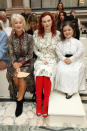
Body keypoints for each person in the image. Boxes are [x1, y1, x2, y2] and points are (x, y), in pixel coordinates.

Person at [33, 12, 60, 117]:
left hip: (52, 60)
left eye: (48, 20)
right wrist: (41, 57)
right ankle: (39, 103)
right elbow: (35, 49)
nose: (47, 23)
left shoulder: (57, 34)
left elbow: (59, 50)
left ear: (52, 21)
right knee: (40, 72)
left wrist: (57, 61)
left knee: (48, 72)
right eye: (44, 21)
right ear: (41, 23)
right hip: (41, 59)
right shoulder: (36, 33)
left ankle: (46, 103)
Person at [7, 14, 35, 117]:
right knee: (15, 77)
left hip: (27, 62)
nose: (18, 25)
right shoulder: (10, 38)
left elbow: (30, 54)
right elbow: (11, 53)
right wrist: (15, 63)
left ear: (23, 24)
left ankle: (19, 102)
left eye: (20, 22)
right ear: (13, 25)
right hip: (14, 63)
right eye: (16, 23)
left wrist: (21, 63)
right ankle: (21, 94)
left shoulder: (30, 37)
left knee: (21, 77)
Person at [55, 21, 86, 99]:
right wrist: (64, 59)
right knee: (61, 70)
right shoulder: (60, 43)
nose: (67, 32)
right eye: (65, 30)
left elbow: (80, 51)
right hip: (64, 60)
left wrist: (72, 59)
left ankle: (72, 90)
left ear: (73, 30)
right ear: (62, 32)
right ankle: (64, 88)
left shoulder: (77, 42)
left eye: (69, 30)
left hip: (75, 60)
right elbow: (58, 52)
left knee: (75, 70)